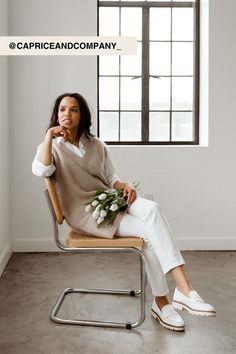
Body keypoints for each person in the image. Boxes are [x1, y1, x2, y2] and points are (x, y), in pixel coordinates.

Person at [32, 93, 216, 332]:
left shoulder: (97, 145)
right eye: (62, 109)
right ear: (56, 115)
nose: (66, 114)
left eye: (73, 110)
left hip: (112, 201)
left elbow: (111, 179)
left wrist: (125, 186)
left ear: (82, 115)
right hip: (88, 215)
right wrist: (48, 136)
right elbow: (41, 169)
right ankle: (164, 302)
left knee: (152, 208)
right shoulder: (51, 147)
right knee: (147, 239)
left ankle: (183, 290)